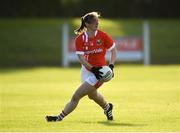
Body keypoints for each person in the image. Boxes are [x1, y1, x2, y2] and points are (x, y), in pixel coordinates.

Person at [46, 12, 117, 122]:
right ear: (87, 24)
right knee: (92, 95)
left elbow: (113, 50)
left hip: (100, 73)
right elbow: (81, 58)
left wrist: (111, 66)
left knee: (76, 96)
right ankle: (107, 107)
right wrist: (92, 68)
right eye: (94, 21)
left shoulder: (102, 35)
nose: (97, 23)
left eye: (98, 21)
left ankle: (59, 118)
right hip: (87, 70)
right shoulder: (80, 39)